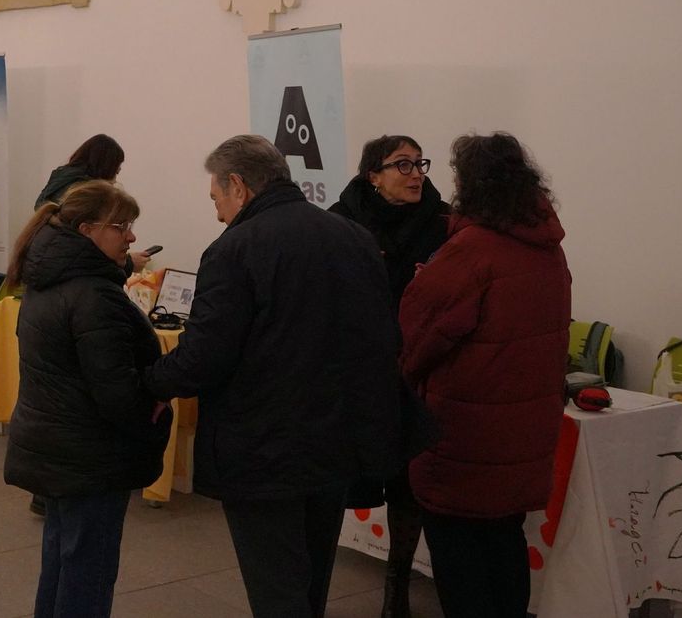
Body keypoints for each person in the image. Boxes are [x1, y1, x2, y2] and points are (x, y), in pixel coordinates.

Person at [143, 135, 399, 618]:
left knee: (276, 587)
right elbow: (380, 338)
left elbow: (204, 356)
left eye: (216, 198)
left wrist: (153, 384)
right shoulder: (353, 237)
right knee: (311, 580)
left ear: (237, 186)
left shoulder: (234, 249)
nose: (218, 212)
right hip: (338, 439)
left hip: (263, 446)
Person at [398, 132, 570, 618]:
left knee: (460, 559)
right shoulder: (548, 249)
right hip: (525, 432)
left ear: (471, 185)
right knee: (504, 544)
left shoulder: (471, 251)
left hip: (465, 437)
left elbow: (419, 342)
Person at [4, 180, 172, 618]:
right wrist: (151, 414)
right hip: (90, 455)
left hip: (57, 445)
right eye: (122, 226)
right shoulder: (94, 296)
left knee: (62, 560)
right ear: (86, 230)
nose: (132, 237)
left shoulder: (48, 279)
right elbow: (116, 393)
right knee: (88, 572)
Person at [329, 134, 450, 618]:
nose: (416, 172)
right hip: (357, 367)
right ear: (372, 176)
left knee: (408, 479)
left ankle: (396, 587)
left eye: (419, 162)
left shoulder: (443, 224)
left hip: (417, 366)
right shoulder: (340, 222)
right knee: (349, 472)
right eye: (402, 164)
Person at [33, 134, 150, 274]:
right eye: (121, 226)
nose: (131, 237)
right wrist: (128, 264)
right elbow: (83, 256)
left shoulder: (59, 183)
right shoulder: (85, 195)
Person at [34, 134, 124, 209]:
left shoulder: (62, 177)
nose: (119, 170)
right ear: (105, 164)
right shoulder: (86, 191)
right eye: (117, 164)